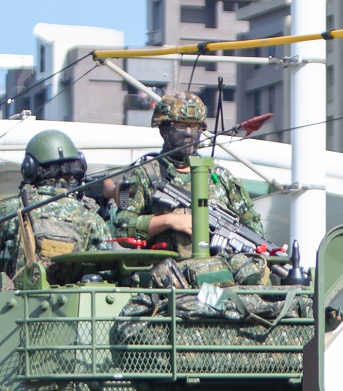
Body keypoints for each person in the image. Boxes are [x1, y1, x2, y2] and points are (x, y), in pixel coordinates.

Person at [101, 93, 274, 288]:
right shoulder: (145, 175)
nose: (189, 133)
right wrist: (169, 221)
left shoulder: (222, 178)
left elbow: (253, 230)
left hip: (220, 283)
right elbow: (123, 227)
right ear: (164, 130)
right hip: (168, 283)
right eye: (181, 126)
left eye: (196, 126)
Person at [0, 130, 111, 288]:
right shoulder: (92, 218)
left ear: (30, 168)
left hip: (20, 306)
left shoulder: (14, 211)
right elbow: (106, 267)